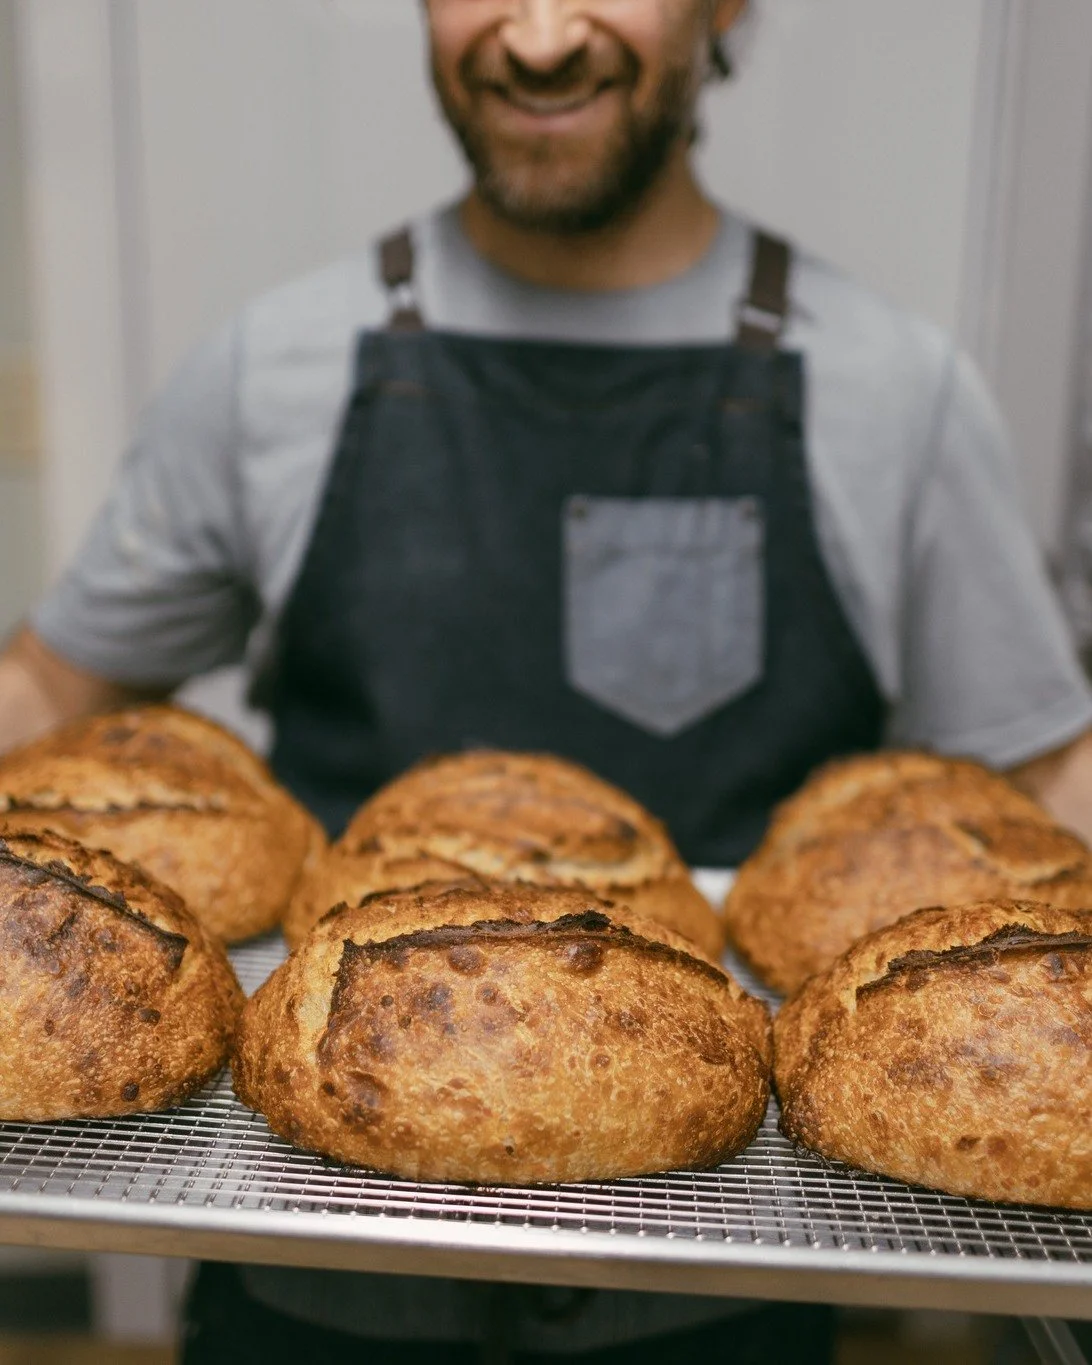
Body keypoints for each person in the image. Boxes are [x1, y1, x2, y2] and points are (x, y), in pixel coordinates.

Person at [3, 0, 1092, 1359]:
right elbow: (51, 698)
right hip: (312, 1264)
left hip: (720, 1279)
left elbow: (1049, 781)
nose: (535, 35)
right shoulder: (268, 365)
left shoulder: (896, 389)